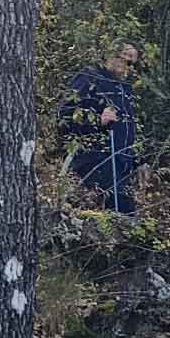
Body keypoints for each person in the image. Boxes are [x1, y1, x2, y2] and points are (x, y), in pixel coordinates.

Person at [58, 41, 141, 213]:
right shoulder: (90, 77)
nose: (124, 64)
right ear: (109, 54)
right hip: (93, 161)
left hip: (121, 165)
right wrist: (98, 121)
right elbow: (63, 116)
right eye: (121, 57)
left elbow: (128, 130)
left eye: (130, 62)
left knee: (125, 222)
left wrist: (138, 161)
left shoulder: (125, 88)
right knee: (100, 220)